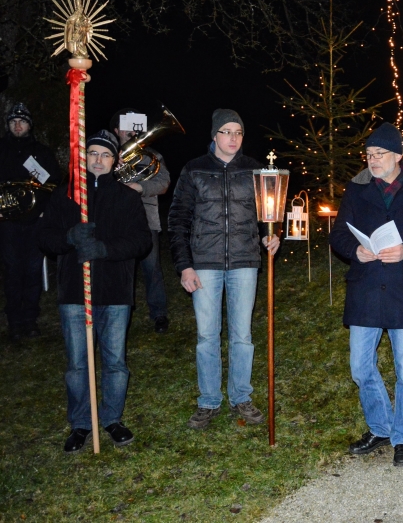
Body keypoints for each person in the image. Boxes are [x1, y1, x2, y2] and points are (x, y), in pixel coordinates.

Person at [329, 123, 403, 467]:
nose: (373, 160)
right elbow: (338, 235)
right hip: (365, 287)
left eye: (380, 154)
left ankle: (402, 438)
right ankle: (380, 428)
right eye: (369, 154)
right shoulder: (356, 188)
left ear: (398, 156)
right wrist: (356, 251)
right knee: (361, 367)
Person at [37, 130, 152, 452]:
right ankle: (81, 423)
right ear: (84, 157)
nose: (98, 160)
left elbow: (141, 241)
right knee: (77, 365)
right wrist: (69, 237)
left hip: (115, 292)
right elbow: (44, 237)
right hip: (75, 294)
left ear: (115, 161)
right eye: (93, 154)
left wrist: (104, 249)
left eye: (105, 155)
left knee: (115, 362)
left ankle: (112, 419)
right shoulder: (66, 196)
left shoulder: (127, 198)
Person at [168, 109, 278, 430]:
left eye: (238, 132)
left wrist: (273, 234)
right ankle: (209, 400)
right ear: (214, 135)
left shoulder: (254, 169)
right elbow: (177, 220)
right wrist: (184, 265)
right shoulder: (195, 170)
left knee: (242, 335)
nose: (233, 138)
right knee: (207, 335)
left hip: (245, 261)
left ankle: (241, 395)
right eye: (227, 131)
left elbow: (267, 213)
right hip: (204, 263)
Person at [0, 103, 62, 341]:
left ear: (29, 125)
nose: (17, 125)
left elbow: (53, 183)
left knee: (34, 270)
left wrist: (45, 211)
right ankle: (15, 321)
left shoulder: (41, 152)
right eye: (13, 122)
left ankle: (31, 319)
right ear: (8, 125)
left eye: (22, 121)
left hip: (35, 220)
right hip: (7, 223)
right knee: (13, 270)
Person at [110, 108, 171, 333]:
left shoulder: (151, 156)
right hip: (116, 221)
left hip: (147, 220)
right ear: (116, 130)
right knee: (120, 269)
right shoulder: (106, 153)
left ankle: (159, 314)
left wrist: (140, 187)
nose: (131, 130)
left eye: (135, 125)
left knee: (152, 268)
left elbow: (164, 182)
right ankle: (118, 314)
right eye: (126, 125)